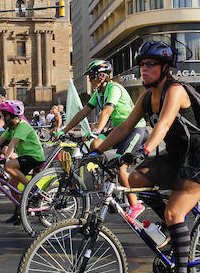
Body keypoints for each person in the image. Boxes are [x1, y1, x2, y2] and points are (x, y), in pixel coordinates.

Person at [94, 41, 200, 273]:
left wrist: (143, 151)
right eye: (142, 65)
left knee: (175, 211)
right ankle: (167, 228)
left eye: (150, 64)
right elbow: (125, 127)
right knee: (134, 179)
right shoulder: (146, 96)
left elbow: (163, 125)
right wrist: (95, 151)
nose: (144, 69)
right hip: (177, 156)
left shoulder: (175, 90)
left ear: (165, 67)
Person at [61, 60, 149, 221]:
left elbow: (107, 111)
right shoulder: (98, 93)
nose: (89, 80)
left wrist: (96, 130)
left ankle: (135, 204)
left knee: (120, 167)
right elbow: (83, 113)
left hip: (135, 129)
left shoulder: (114, 88)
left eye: (91, 76)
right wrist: (64, 130)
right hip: (119, 130)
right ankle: (107, 179)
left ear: (102, 76)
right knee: (94, 146)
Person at [0, 100, 45, 224]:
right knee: (12, 186)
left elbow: (13, 143)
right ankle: (20, 213)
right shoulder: (11, 128)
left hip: (34, 157)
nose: (2, 118)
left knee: (9, 166)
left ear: (9, 115)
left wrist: (6, 159)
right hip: (25, 158)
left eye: (3, 115)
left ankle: (32, 188)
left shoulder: (22, 125)